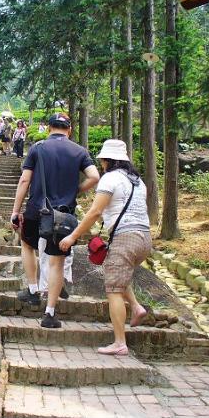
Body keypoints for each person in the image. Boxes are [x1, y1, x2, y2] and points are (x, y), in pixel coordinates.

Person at [58, 139, 151, 355]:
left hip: (126, 238)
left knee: (113, 290)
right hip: (144, 239)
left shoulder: (110, 179)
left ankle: (120, 343)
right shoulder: (138, 181)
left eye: (102, 161)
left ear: (107, 160)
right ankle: (137, 307)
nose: (101, 164)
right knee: (117, 274)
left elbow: (95, 212)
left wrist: (72, 236)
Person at [11, 113, 100, 328]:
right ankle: (50, 313)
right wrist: (75, 191)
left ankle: (32, 289)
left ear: (50, 128)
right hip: (63, 214)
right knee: (56, 263)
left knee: (27, 245)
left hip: (36, 209)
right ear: (69, 130)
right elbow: (95, 177)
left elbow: (25, 180)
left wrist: (15, 210)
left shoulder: (38, 148)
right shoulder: (79, 151)